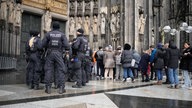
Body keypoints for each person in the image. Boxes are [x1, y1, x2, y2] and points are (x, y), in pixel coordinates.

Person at [42, 22, 70, 94]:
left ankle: (48, 88)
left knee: (48, 70)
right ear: (59, 27)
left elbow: (42, 44)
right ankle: (61, 88)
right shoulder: (62, 34)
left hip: (50, 53)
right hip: (58, 53)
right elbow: (67, 46)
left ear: (52, 27)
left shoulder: (48, 34)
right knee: (61, 70)